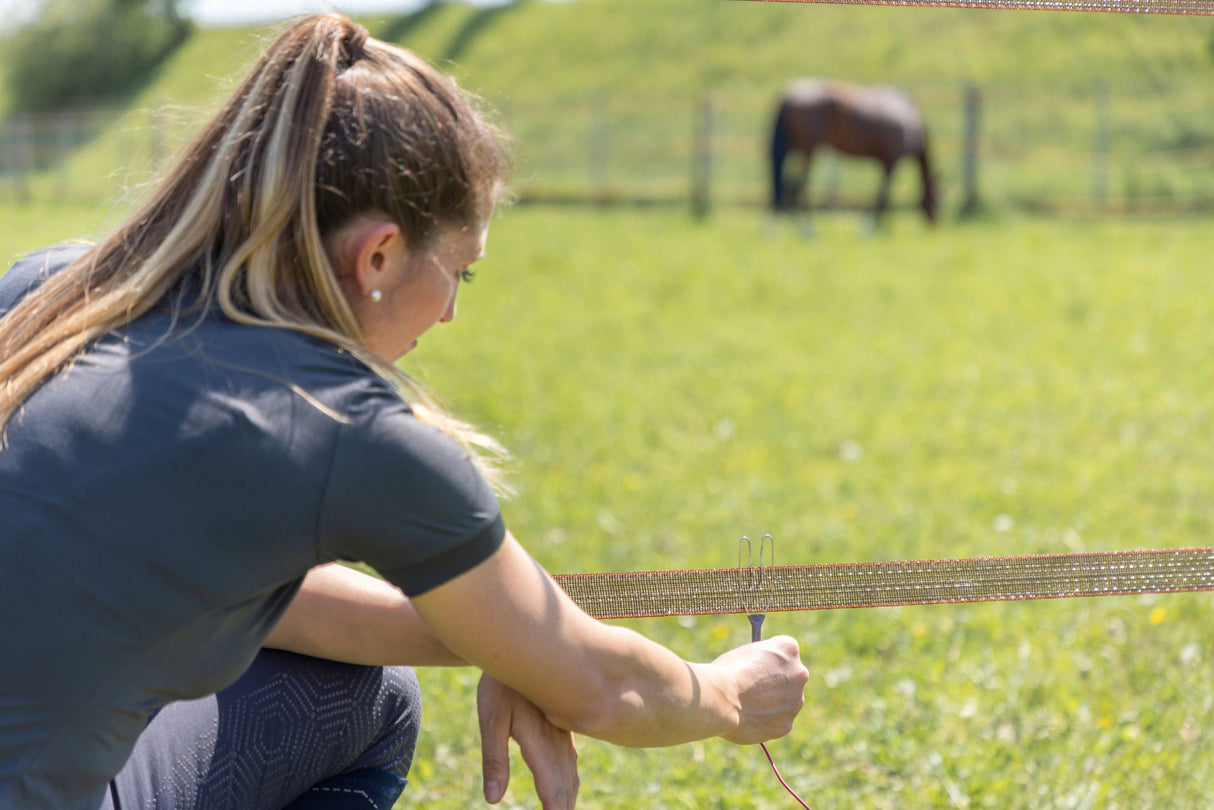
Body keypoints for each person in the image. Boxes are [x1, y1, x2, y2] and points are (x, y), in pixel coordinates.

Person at [0, 14, 809, 810]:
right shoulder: (340, 427)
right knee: (377, 708)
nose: (453, 310)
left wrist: (510, 641)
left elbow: (235, 590)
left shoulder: (57, 287)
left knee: (365, 686)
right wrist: (730, 693)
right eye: (462, 270)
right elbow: (602, 688)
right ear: (378, 255)